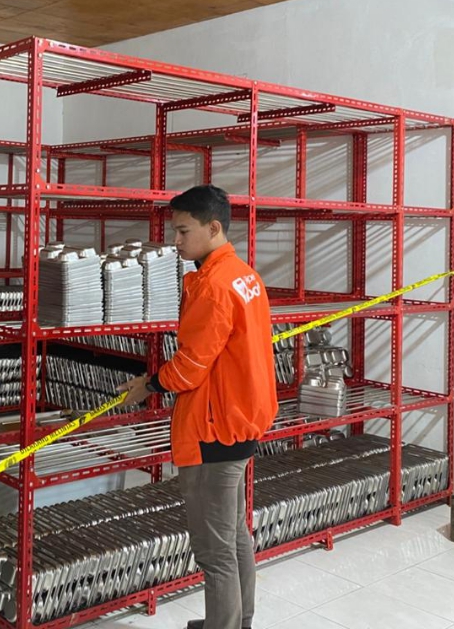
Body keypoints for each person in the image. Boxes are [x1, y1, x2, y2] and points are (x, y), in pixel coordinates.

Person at [118, 185, 278, 629]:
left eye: (183, 231)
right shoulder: (244, 275)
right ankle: (239, 621)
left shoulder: (214, 286)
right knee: (234, 534)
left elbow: (191, 366)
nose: (176, 241)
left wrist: (150, 384)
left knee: (214, 549)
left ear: (214, 228)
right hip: (241, 420)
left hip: (214, 428)